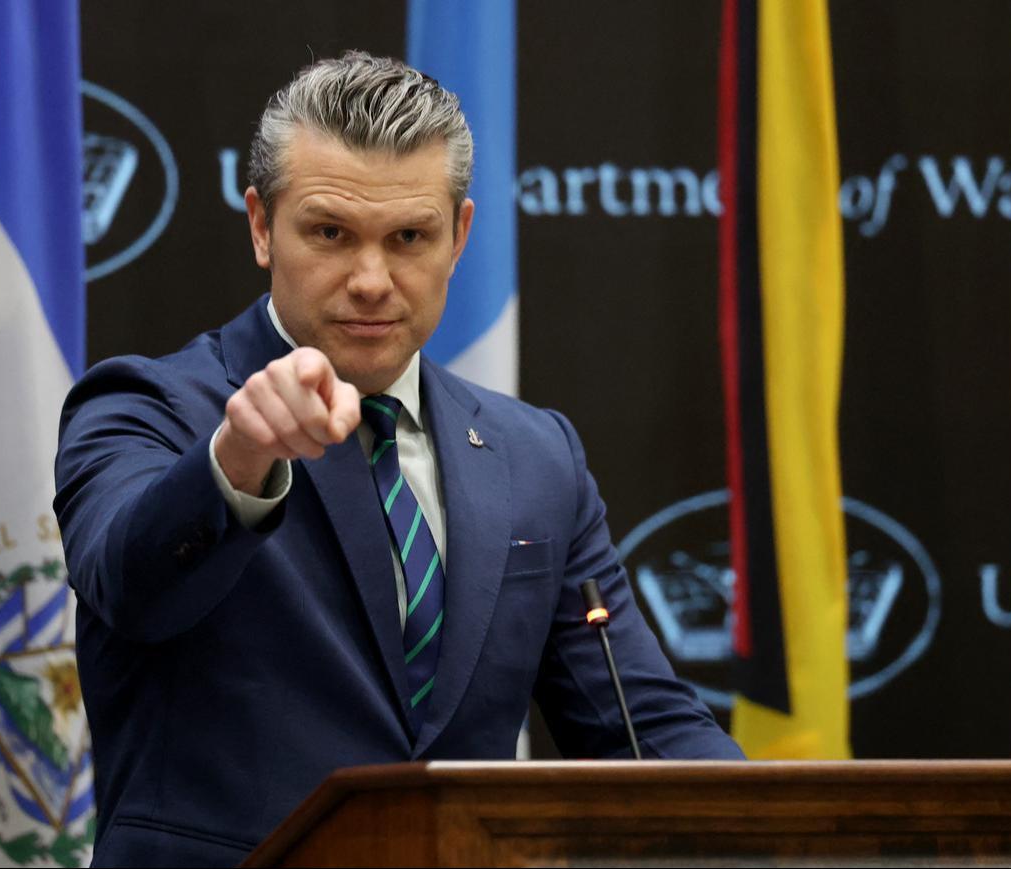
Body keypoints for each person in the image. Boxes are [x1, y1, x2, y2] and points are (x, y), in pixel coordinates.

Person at [54, 51, 743, 868]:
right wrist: (238, 460)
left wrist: (792, 834)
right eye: (330, 233)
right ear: (261, 226)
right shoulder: (146, 406)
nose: (372, 279)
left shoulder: (535, 454)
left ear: (460, 236)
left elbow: (642, 728)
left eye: (409, 236)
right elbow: (129, 583)